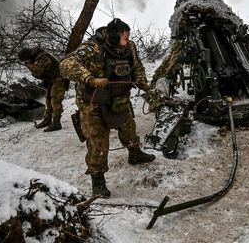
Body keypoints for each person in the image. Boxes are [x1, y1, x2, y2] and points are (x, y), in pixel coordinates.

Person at [60, 18, 160, 198]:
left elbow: (137, 66)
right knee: (98, 142)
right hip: (94, 102)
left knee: (129, 128)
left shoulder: (130, 47)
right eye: (124, 38)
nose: (128, 41)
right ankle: (98, 179)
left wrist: (143, 83)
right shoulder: (92, 48)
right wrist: (90, 79)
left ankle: (135, 153)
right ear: (113, 38)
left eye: (128, 37)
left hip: (119, 98)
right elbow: (65, 64)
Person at [18, 47, 67, 132]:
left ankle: (56, 123)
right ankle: (47, 120)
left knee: (55, 100)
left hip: (59, 78)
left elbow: (37, 72)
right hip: (51, 79)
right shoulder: (36, 57)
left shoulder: (42, 57)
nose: (25, 61)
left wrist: (28, 64)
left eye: (24, 59)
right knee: (48, 100)